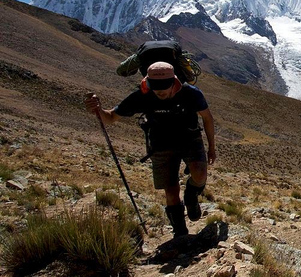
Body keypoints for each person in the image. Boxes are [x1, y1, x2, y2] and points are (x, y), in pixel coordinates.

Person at [85, 61, 216, 237]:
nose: (160, 91)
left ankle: (191, 195)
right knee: (170, 189)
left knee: (200, 175)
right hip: (160, 143)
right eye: (155, 86)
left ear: (174, 81)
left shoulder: (190, 93)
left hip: (189, 138)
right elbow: (111, 117)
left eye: (164, 87)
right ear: (147, 82)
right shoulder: (142, 95)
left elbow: (207, 118)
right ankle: (180, 234)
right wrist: (98, 110)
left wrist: (212, 147)